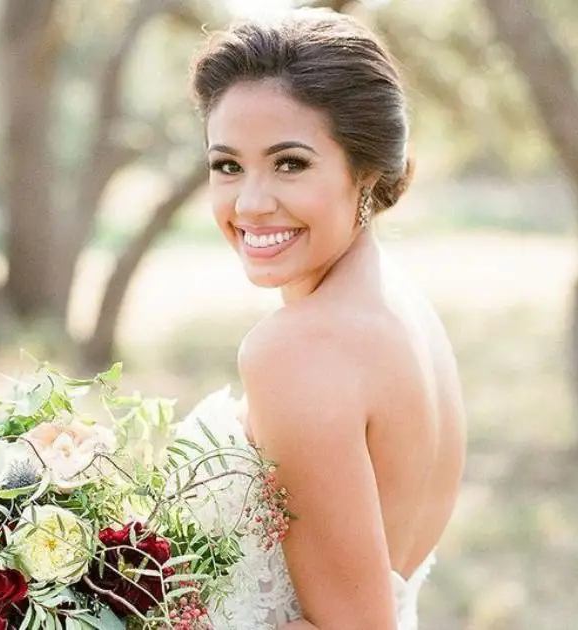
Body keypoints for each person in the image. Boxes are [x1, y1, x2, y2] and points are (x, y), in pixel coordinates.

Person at [187, 8, 467, 629]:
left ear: (364, 170)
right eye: (227, 165)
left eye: (290, 163)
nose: (251, 203)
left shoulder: (299, 349)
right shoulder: (403, 305)